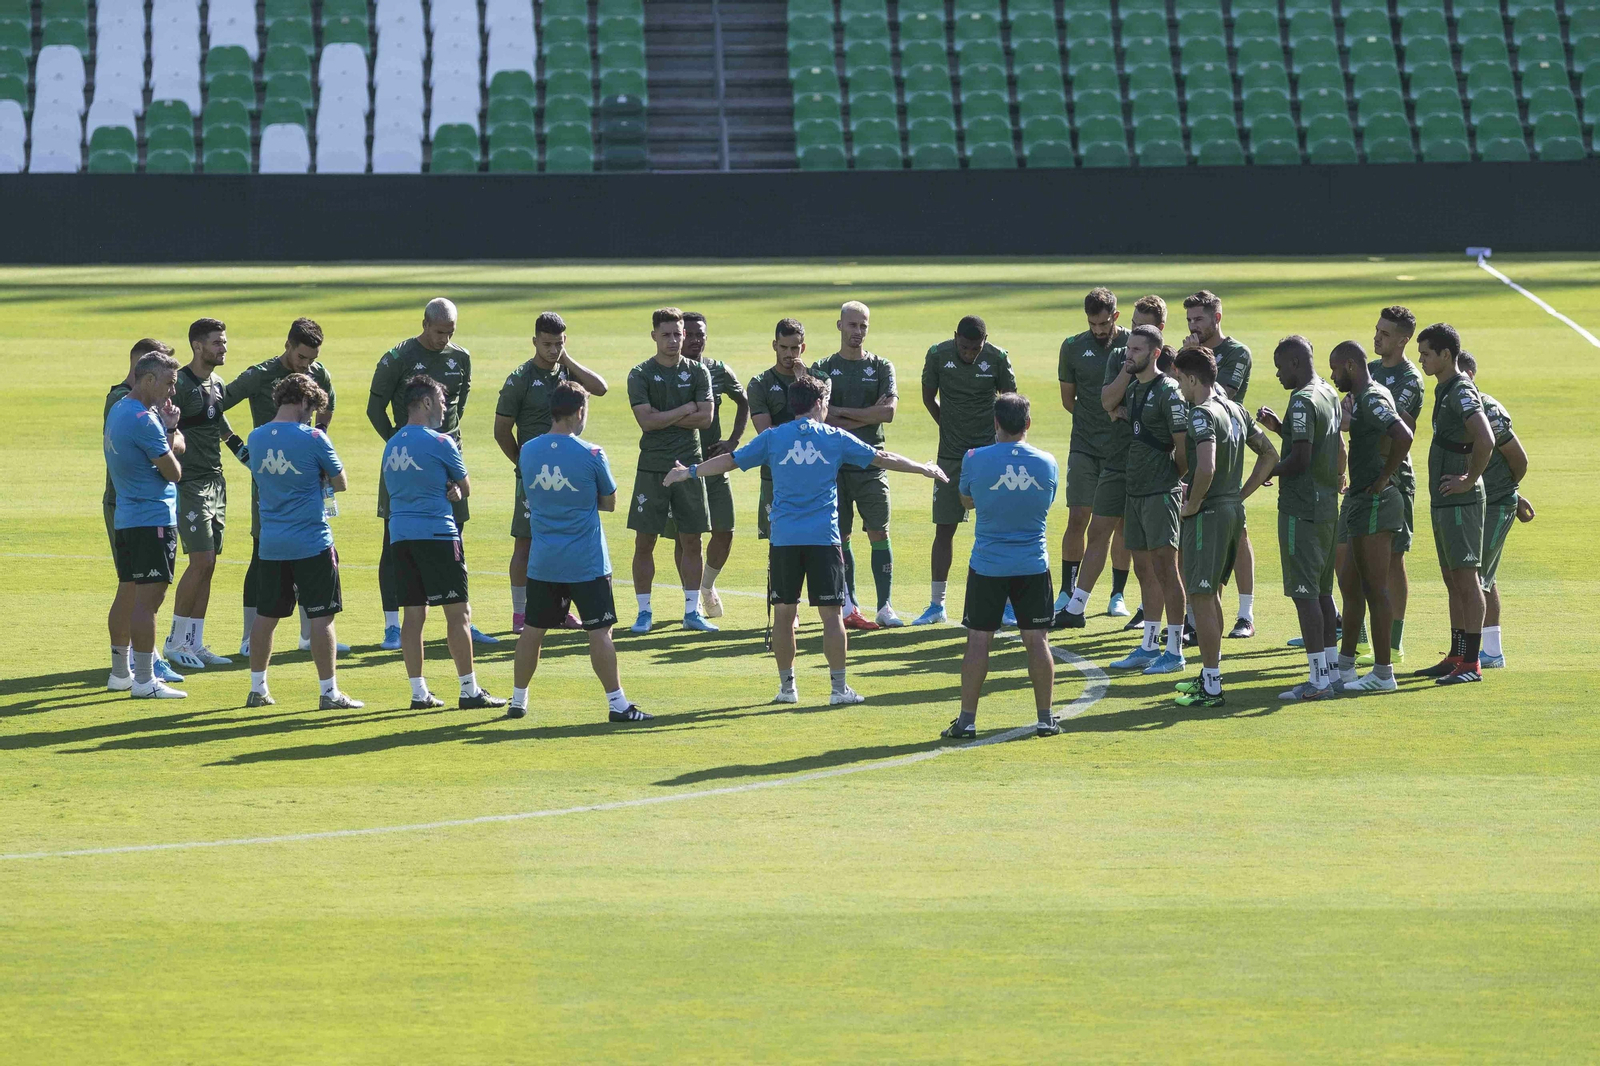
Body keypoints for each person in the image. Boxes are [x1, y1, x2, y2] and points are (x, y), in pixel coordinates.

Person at [664, 374, 946, 705]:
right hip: (823, 541)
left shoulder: (772, 438)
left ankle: (787, 689)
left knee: (784, 616)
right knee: (831, 616)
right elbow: (882, 458)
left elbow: (729, 460)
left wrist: (689, 472)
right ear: (818, 404)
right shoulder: (835, 438)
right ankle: (839, 690)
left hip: (783, 540)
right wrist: (923, 468)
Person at [509, 381, 644, 722]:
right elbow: (609, 502)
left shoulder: (528, 450)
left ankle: (517, 700)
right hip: (587, 562)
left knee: (532, 631)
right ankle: (617, 704)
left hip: (544, 562)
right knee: (600, 632)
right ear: (579, 412)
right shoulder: (592, 454)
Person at [369, 298, 494, 649]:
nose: (444, 339)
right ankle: (392, 626)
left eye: (450, 333)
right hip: (405, 461)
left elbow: (459, 405)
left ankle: (462, 620)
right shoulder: (398, 357)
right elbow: (374, 406)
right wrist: (400, 444)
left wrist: (441, 447)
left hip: (448, 457)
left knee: (455, 536)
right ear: (424, 324)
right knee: (394, 539)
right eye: (440, 332)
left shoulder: (460, 358)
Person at [384, 375, 506, 711]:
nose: (443, 408)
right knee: (458, 614)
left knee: (413, 615)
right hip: (437, 535)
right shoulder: (440, 442)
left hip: (401, 536)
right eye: (440, 401)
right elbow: (465, 486)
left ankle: (418, 692)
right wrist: (454, 488)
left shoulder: (392, 444)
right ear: (425, 402)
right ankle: (468, 690)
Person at [944, 392, 1062, 739]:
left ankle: (967, 721)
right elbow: (1046, 501)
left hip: (988, 565)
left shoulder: (974, 458)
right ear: (1027, 424)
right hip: (1032, 565)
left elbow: (967, 500)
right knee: (1036, 640)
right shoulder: (1048, 462)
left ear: (996, 423)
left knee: (978, 639)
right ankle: (1045, 718)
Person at [221, 317, 338, 658]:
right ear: (287, 346)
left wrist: (321, 439)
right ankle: (247, 637)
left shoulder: (320, 373)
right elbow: (217, 406)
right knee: (262, 554)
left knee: (313, 552)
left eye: (312, 359)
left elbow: (328, 402)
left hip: (307, 481)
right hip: (270, 477)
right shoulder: (259, 375)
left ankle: (308, 634)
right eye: (302, 358)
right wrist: (237, 446)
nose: (307, 366)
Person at [245, 373, 359, 710]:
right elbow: (341, 483)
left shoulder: (256, 438)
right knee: (322, 619)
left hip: (271, 544)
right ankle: (328, 692)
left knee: (266, 617)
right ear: (304, 402)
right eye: (311, 409)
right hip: (312, 542)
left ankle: (258, 689)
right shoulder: (313, 438)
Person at [1171, 348, 1277, 708]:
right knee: (1211, 594)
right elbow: (1270, 454)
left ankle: (1212, 686)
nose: (1180, 388)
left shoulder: (1201, 414)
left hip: (1209, 516)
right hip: (1232, 512)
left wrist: (1194, 503)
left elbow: (1206, 467)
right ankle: (1209, 676)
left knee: (1200, 596)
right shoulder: (1235, 409)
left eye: (1180, 380)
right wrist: (1241, 494)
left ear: (1192, 378)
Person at [493, 311, 608, 633]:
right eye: (547, 344)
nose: (552, 350)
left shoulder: (567, 373)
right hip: (535, 476)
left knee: (566, 542)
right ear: (534, 342)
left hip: (571, 475)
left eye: (558, 343)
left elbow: (600, 389)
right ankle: (520, 613)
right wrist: (522, 463)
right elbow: (501, 429)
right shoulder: (520, 379)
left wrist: (568, 359)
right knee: (526, 542)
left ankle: (561, 611)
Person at [1256, 335, 1343, 700]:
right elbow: (1330, 444)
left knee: (1304, 596)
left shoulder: (1304, 400)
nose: (1277, 375)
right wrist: (1281, 429)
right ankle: (1332, 672)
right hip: (1325, 510)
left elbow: (1302, 459)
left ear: (1294, 363)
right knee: (1322, 593)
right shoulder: (1327, 392)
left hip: (1300, 510)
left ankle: (1316, 681)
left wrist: (1270, 471)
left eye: (1279, 367)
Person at [918, 314, 1017, 627]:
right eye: (964, 347)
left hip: (990, 454)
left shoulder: (998, 358)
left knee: (1001, 527)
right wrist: (946, 426)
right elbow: (927, 396)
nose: (969, 353)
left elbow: (1010, 401)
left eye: (975, 349)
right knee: (944, 528)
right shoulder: (937, 355)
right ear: (955, 337)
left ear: (984, 343)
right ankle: (936, 605)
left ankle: (1008, 605)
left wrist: (999, 439)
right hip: (951, 456)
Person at [1328, 340, 1414, 694]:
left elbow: (1403, 435)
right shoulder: (1366, 397)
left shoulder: (1372, 397)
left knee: (1374, 589)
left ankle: (1383, 673)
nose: (1332, 377)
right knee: (1350, 584)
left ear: (1349, 365)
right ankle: (1346, 666)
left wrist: (1383, 477)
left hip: (1377, 500)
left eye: (1335, 369)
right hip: (1363, 501)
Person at [163, 318, 250, 670]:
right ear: (198, 346)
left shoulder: (217, 384)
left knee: (210, 565)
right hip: (190, 485)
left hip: (217, 484)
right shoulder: (180, 385)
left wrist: (255, 463)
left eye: (225, 342)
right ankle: (174, 642)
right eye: (217, 343)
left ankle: (195, 643)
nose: (224, 348)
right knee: (199, 562)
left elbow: (224, 432)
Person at [625, 307, 718, 633]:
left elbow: (705, 419)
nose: (674, 341)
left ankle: (692, 612)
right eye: (666, 334)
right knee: (644, 542)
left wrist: (664, 416)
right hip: (651, 467)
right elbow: (646, 423)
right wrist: (684, 409)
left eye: (678, 334)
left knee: (692, 540)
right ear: (654, 336)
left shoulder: (698, 372)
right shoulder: (640, 374)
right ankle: (644, 612)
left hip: (690, 466)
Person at [1104, 327, 1189, 674]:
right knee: (1144, 571)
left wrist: (1172, 478)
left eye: (1137, 349)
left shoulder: (1168, 391)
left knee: (1167, 571)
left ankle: (1175, 651)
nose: (1129, 354)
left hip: (1159, 493)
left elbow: (1183, 447)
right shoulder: (1134, 388)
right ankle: (1148, 645)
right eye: (1128, 348)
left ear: (1155, 354)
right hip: (1135, 492)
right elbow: (1108, 404)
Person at [812, 301, 902, 628]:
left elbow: (888, 413)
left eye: (863, 326)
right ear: (839, 326)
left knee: (879, 530)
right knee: (842, 535)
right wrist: (865, 414)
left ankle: (885, 606)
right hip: (834, 465)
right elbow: (820, 415)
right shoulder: (821, 368)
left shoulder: (881, 367)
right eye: (852, 325)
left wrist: (842, 415)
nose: (858, 332)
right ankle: (851, 605)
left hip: (871, 462)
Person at [1413, 324, 1495, 684]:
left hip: (1460, 503)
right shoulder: (1444, 388)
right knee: (1452, 579)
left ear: (1447, 355)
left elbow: (1486, 438)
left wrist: (1468, 479)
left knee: (1466, 579)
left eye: (1427, 353)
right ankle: (1457, 654)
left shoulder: (1461, 390)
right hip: (1445, 502)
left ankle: (1472, 663)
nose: (1421, 360)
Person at [104, 349, 188, 699]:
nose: (172, 392)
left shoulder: (120, 408)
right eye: (169, 383)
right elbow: (173, 471)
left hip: (126, 516)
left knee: (128, 592)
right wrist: (171, 431)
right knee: (147, 604)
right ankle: (144, 681)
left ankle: (120, 673)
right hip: (151, 519)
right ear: (149, 379)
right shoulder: (144, 419)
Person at [1183, 290, 1257, 637]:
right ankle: (1196, 618)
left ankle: (1246, 613)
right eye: (1189, 320)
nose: (1194, 326)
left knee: (1236, 534)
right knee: (1196, 538)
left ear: (1217, 317)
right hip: (1198, 441)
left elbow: (1221, 391)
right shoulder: (1192, 354)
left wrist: (1192, 357)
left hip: (1226, 450)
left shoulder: (1236, 353)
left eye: (1199, 318)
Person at [666, 311, 748, 619]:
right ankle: (692, 599)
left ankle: (706, 585)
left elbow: (744, 401)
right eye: (690, 334)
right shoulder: (667, 371)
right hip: (680, 463)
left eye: (701, 334)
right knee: (687, 536)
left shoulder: (718, 370)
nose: (696, 339)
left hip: (715, 461)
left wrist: (733, 441)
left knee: (724, 531)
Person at [1055, 287, 1130, 622]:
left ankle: (1117, 594)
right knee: (1078, 518)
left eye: (1103, 323)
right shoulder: (1072, 347)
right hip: (1084, 446)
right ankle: (1067, 590)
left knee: (1121, 523)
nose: (1098, 330)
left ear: (1115, 315)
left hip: (1123, 448)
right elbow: (1068, 400)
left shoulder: (1133, 343)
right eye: (1092, 324)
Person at [1456, 352, 1531, 670]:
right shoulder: (1452, 407)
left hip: (1495, 504)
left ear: (1471, 373)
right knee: (1483, 575)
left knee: (1476, 576)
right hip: (1476, 503)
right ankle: (1490, 650)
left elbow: (1519, 460)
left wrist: (1509, 494)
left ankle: (1483, 653)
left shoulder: (1489, 410)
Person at [1367, 305, 1424, 660]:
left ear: (1404, 340)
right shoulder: (1370, 370)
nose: (1376, 337)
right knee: (1353, 555)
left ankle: (1394, 639)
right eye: (1376, 330)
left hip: (1394, 476)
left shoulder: (1410, 380)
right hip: (1363, 475)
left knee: (1393, 559)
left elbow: (1395, 431)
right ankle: (1357, 637)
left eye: (1385, 334)